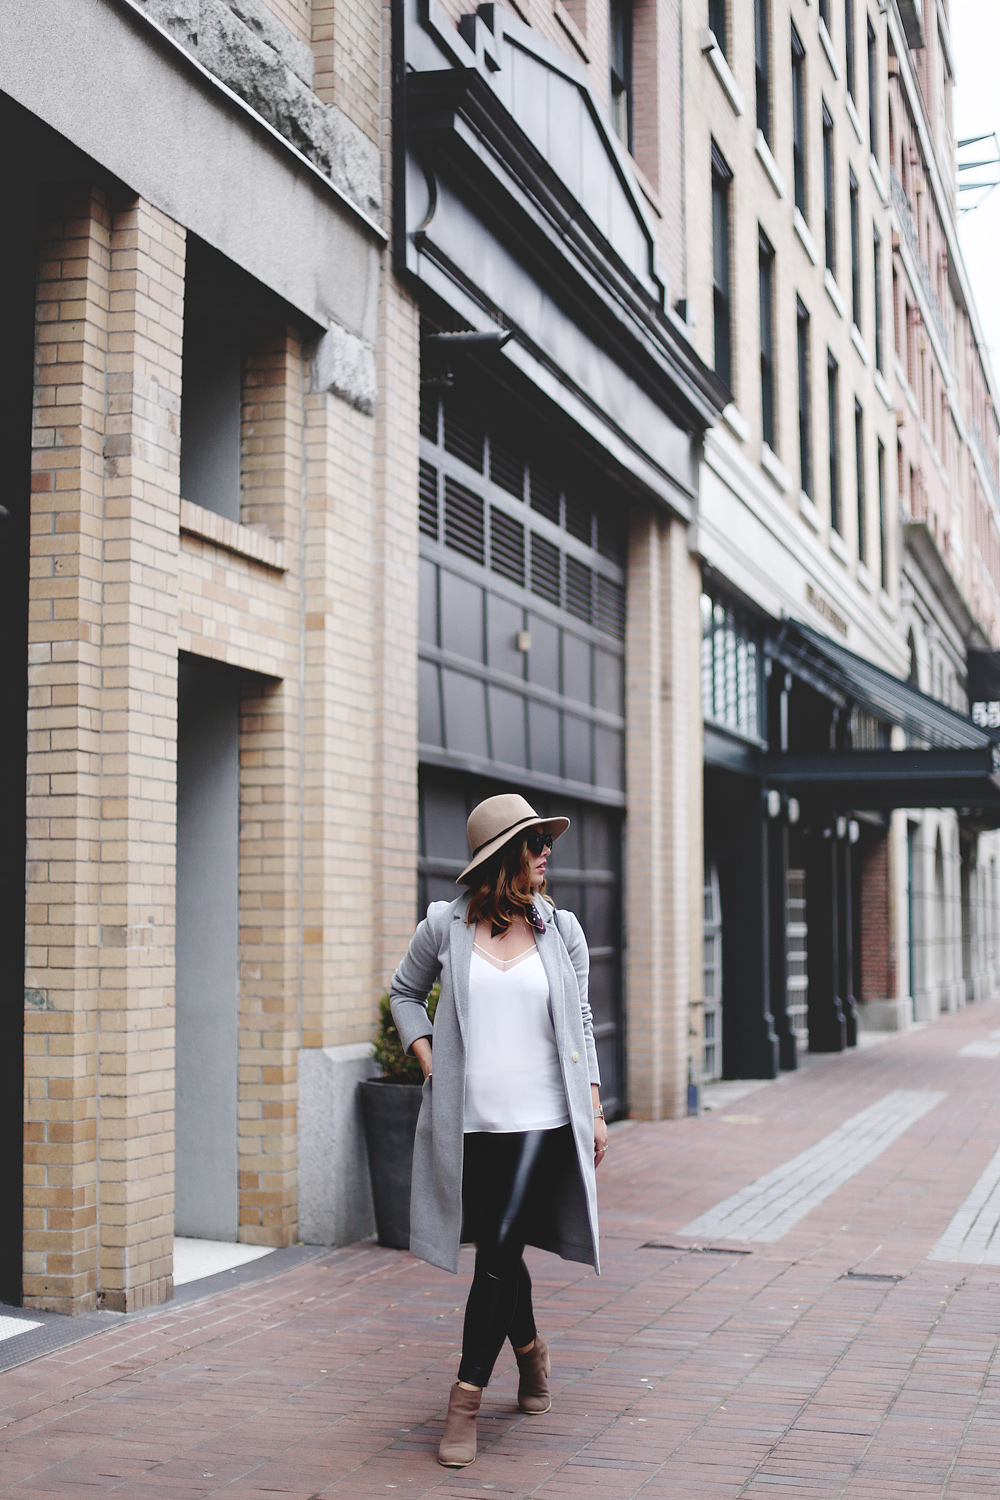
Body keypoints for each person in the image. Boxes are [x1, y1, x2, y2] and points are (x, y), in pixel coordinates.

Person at [389, 792, 608, 1469]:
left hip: (542, 1120)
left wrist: (594, 1108)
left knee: (495, 1253)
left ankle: (465, 1401)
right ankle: (532, 1355)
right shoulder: (443, 925)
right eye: (534, 841)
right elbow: (403, 993)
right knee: (502, 1253)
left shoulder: (561, 929)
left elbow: (582, 1020)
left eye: (546, 840)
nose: (547, 851)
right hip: (470, 1124)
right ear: (502, 856)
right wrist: (431, 1065)